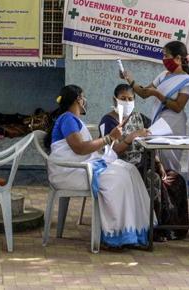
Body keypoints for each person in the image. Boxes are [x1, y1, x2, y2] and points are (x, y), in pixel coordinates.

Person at [45, 85, 151, 249]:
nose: (85, 101)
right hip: (71, 172)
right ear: (78, 100)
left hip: (80, 168)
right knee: (118, 179)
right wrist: (109, 138)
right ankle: (115, 236)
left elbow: (85, 149)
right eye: (83, 97)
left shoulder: (73, 120)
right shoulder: (67, 119)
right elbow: (79, 148)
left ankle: (137, 230)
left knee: (129, 170)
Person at [98, 83, 188, 241]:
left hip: (148, 161)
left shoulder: (140, 118)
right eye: (123, 99)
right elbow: (112, 151)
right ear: (115, 100)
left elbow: (154, 140)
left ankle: (174, 228)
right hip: (123, 166)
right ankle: (154, 229)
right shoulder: (109, 121)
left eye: (130, 99)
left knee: (176, 179)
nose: (127, 102)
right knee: (152, 179)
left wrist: (159, 163)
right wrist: (131, 137)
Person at [122, 41, 189, 197]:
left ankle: (173, 198)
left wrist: (158, 94)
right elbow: (145, 93)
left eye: (166, 56)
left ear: (178, 58)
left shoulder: (186, 80)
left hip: (174, 122)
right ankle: (160, 199)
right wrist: (130, 80)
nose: (163, 59)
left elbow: (178, 106)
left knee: (170, 161)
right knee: (156, 157)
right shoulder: (162, 75)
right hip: (161, 120)